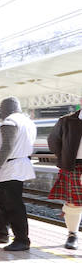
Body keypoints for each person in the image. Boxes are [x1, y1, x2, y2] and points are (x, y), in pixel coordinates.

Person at [0, 97, 36, 252]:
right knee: (3, 201)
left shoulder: (10, 121)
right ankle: (0, 232)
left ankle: (22, 239)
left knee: (14, 204)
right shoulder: (27, 122)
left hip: (11, 167)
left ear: (5, 109)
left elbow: (7, 146)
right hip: (19, 165)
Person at [47, 101, 82, 250]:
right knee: (73, 204)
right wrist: (64, 157)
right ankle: (72, 234)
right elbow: (53, 141)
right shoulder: (66, 121)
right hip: (74, 166)